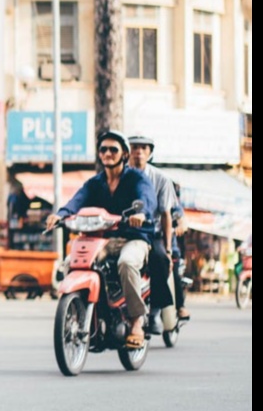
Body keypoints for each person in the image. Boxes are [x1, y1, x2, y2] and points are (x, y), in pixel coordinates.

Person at [45, 129, 157, 347]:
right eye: (103, 149)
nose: (107, 153)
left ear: (124, 154)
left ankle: (136, 319)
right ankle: (80, 313)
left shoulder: (136, 178)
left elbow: (146, 198)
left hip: (133, 237)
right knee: (72, 263)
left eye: (113, 149)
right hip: (103, 239)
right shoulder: (95, 183)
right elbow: (77, 200)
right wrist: (60, 215)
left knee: (126, 262)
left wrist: (140, 213)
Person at [127, 133, 189, 320]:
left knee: (162, 259)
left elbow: (167, 214)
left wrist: (169, 249)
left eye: (143, 148)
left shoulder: (161, 179)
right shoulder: (119, 176)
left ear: (150, 153)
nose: (138, 152)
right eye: (134, 147)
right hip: (125, 232)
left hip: (153, 234)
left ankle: (156, 310)